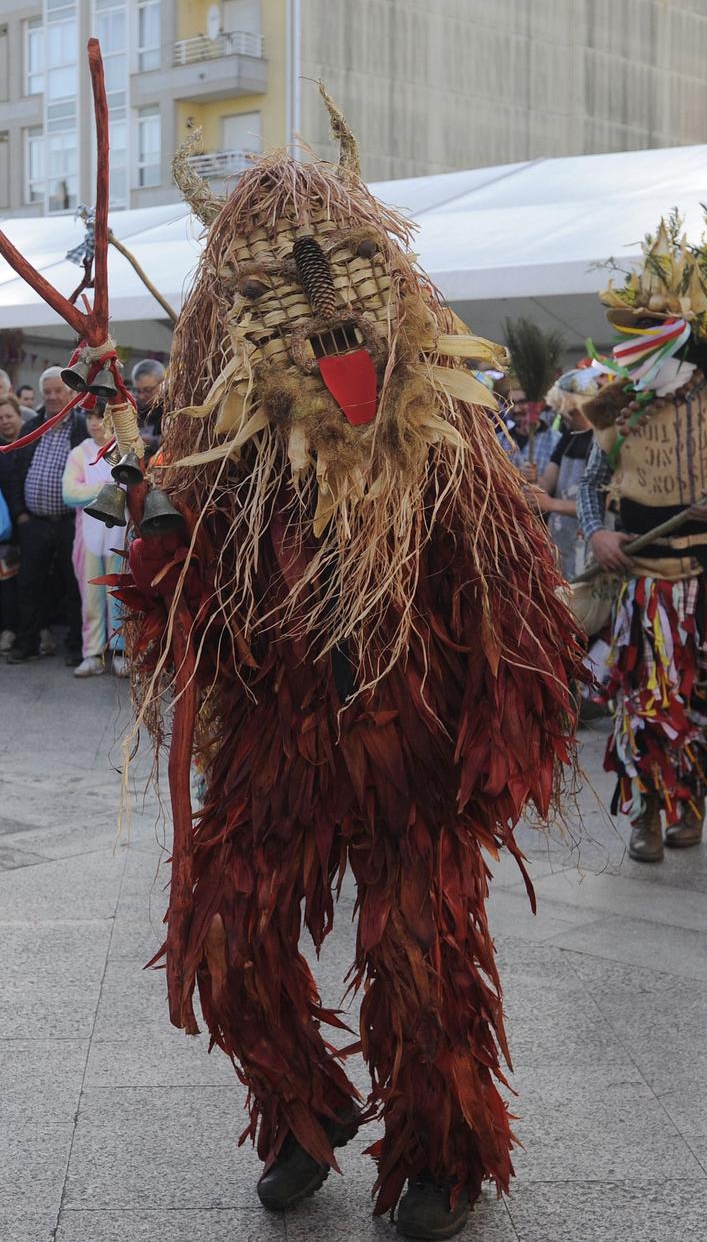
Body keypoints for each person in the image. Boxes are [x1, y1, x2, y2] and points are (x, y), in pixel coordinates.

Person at [113, 103, 582, 1238]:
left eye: (350, 281)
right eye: (283, 300)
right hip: (281, 746)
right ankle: (299, 1116)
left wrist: (496, 744)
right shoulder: (222, 457)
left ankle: (436, 1152)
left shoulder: (451, 447)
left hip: (411, 747)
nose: (327, 321)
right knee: (224, 933)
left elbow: (517, 615)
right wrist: (166, 526)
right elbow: (193, 618)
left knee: (422, 954)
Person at [580, 213, 707, 864]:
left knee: (702, 698)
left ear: (682, 340)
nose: (632, 352)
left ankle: (690, 802)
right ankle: (646, 813)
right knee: (642, 699)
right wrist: (598, 532)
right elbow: (591, 483)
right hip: (642, 581)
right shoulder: (621, 404)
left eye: (647, 337)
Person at [0, 365, 88, 665]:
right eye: (47, 391)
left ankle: (77, 646)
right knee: (29, 585)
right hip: (34, 523)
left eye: (57, 391)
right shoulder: (30, 427)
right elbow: (15, 473)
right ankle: (28, 644)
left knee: (74, 585)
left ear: (72, 393)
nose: (51, 397)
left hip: (69, 523)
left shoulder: (82, 428)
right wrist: (20, 514)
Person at [60, 405, 129, 677]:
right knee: (90, 597)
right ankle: (92, 653)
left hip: (119, 534)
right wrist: (107, 488)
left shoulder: (125, 452)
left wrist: (102, 490)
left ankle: (122, 652)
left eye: (100, 416)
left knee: (120, 596)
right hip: (88, 536)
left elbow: (135, 489)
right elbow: (69, 493)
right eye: (90, 416)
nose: (94, 422)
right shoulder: (79, 453)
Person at [528, 369, 600, 575]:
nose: (566, 416)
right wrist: (534, 483)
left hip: (588, 542)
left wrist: (550, 504)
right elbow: (547, 483)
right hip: (560, 538)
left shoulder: (602, 440)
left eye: (572, 410)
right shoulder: (569, 436)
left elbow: (599, 502)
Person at [0, 397, 26, 655]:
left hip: (30, 520)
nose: (5, 421)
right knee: (8, 582)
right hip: (3, 526)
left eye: (8, 416)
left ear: (19, 415)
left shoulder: (31, 440)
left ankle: (39, 628)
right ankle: (9, 630)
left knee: (34, 579)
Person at [132, 356, 166, 452]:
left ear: (163, 385)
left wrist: (154, 441)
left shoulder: (173, 408)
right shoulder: (132, 408)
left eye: (148, 390)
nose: (142, 396)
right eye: (138, 391)